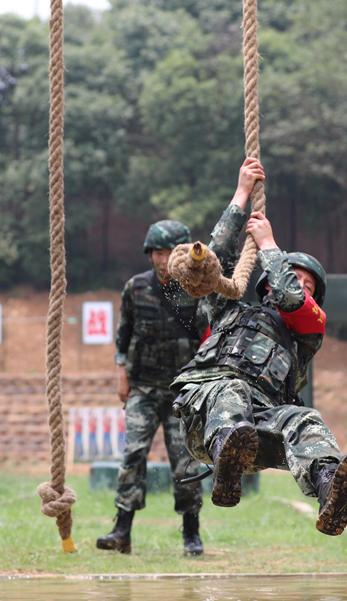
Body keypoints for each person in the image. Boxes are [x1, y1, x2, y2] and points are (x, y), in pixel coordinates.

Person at [170, 157, 347, 536]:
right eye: (294, 278)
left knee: (305, 419)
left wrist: (270, 247)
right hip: (207, 415)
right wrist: (242, 193)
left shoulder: (305, 333)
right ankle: (226, 465)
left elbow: (292, 299)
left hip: (256, 433)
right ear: (266, 284)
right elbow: (215, 260)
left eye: (309, 285)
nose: (299, 287)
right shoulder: (228, 308)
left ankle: (332, 491)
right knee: (233, 388)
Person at [97, 220, 208, 556]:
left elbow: (209, 336)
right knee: (133, 453)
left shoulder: (198, 288)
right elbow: (124, 333)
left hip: (182, 392)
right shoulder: (135, 288)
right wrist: (121, 373)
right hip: (143, 387)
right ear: (150, 254)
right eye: (158, 252)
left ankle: (191, 532)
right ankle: (122, 529)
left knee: (186, 461)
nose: (163, 260)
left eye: (170, 252)